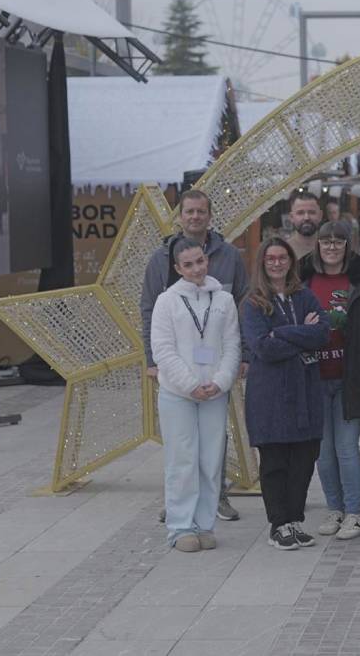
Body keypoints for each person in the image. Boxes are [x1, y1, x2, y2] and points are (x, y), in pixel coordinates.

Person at [141, 189, 247, 524]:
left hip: (216, 371)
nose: (195, 217)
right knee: (181, 448)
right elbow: (150, 310)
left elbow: (242, 305)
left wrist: (239, 360)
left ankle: (215, 501)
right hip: (177, 373)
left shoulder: (229, 255)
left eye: (201, 211)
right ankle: (180, 509)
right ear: (180, 216)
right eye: (189, 211)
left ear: (210, 215)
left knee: (213, 445)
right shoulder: (160, 260)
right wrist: (152, 360)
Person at [150, 238, 241, 551]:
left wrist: (221, 381)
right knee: (182, 460)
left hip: (214, 392)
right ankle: (180, 527)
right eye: (188, 265)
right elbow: (163, 350)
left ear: (207, 260)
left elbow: (232, 345)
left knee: (210, 461)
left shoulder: (224, 299)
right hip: (178, 394)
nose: (196, 269)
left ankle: (204, 524)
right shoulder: (167, 301)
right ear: (178, 268)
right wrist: (190, 384)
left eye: (200, 261)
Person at [240, 237, 330, 550]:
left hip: (305, 391)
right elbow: (263, 348)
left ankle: (294, 520)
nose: (277, 263)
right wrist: (301, 335)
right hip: (270, 394)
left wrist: (281, 332)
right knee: (275, 461)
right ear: (262, 263)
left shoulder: (304, 296)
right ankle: (279, 524)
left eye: (282, 258)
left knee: (304, 459)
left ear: (291, 261)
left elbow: (322, 333)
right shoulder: (253, 303)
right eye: (271, 258)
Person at [299, 221, 360, 540]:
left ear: (348, 245)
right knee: (323, 451)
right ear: (318, 245)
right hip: (314, 377)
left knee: (346, 447)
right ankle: (333, 508)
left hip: (349, 379)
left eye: (338, 241)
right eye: (326, 241)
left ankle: (353, 513)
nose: (332, 247)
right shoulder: (303, 278)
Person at [288, 191, 325, 260]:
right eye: (300, 213)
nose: (306, 218)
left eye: (312, 212)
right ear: (291, 217)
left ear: (320, 216)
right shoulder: (284, 250)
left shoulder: (332, 249)